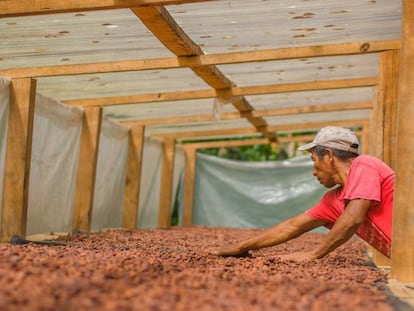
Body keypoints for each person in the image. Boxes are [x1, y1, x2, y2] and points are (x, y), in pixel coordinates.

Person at [211, 126, 394, 261]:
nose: (314, 172)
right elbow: (291, 227)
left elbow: (353, 218)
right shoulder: (334, 200)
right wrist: (242, 247)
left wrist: (313, 254)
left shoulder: (364, 164)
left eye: (314, 160)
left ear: (329, 156)